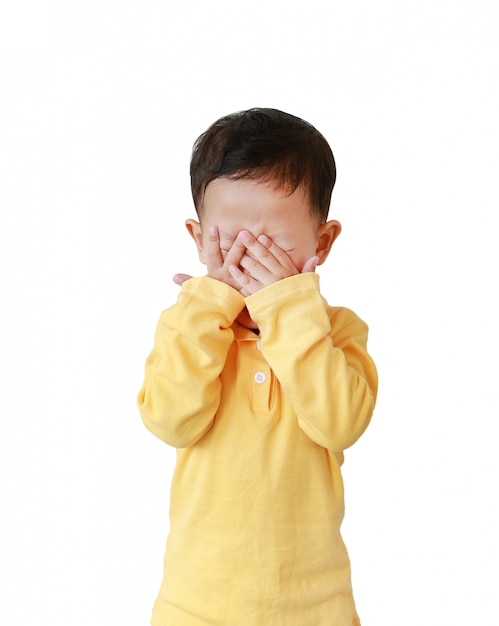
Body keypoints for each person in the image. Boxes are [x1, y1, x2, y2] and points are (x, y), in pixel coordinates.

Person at [137, 108, 378, 626]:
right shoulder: (186, 325)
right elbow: (170, 419)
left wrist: (287, 309)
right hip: (194, 607)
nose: (249, 261)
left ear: (322, 242)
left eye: (274, 244)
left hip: (316, 610)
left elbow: (341, 422)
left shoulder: (338, 332)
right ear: (199, 239)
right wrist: (206, 308)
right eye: (231, 241)